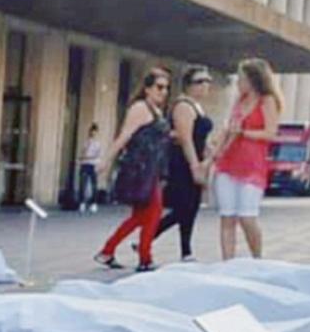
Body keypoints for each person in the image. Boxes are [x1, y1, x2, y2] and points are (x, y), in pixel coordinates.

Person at [95, 67, 172, 272]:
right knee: (152, 213)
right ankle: (144, 258)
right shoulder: (140, 108)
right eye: (159, 87)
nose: (163, 92)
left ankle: (109, 251)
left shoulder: (156, 110)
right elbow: (124, 136)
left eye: (166, 88)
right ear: (147, 88)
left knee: (141, 215)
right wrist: (106, 161)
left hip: (151, 170)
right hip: (140, 170)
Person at [208, 58, 282, 259]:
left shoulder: (267, 101)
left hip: (252, 166)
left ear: (254, 79)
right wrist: (217, 147)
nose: (239, 83)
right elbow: (228, 128)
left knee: (247, 216)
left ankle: (257, 258)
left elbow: (270, 133)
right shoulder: (239, 101)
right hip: (229, 163)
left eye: (242, 78)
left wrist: (245, 133)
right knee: (227, 216)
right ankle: (228, 262)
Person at [152, 66, 216, 262]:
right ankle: (153, 239)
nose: (205, 85)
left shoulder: (197, 106)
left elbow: (199, 137)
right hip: (182, 162)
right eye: (200, 81)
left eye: (208, 81)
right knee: (184, 206)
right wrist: (194, 166)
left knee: (191, 206)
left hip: (196, 158)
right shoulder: (184, 106)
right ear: (189, 85)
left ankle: (184, 250)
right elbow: (185, 138)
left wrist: (208, 152)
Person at [78, 125, 102, 213]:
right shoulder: (85, 142)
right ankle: (82, 203)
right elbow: (82, 153)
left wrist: (87, 157)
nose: (93, 133)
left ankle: (93, 203)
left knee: (94, 184)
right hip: (85, 164)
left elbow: (97, 155)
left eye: (94, 131)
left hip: (93, 165)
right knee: (83, 184)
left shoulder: (97, 143)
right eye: (91, 131)